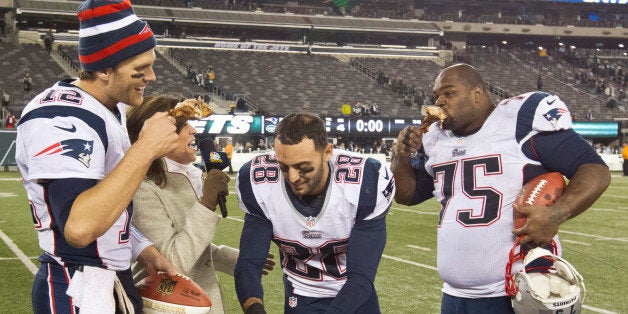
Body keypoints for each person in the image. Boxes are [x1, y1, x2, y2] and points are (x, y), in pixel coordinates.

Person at [392, 63, 610, 313]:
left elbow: (595, 169)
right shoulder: (434, 137)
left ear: (476, 94)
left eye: (449, 93)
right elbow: (406, 195)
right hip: (453, 295)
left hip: (517, 290)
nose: (439, 102)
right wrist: (402, 156)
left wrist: (556, 214)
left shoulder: (520, 121)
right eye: (436, 96)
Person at [15, 0, 181, 313]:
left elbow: (108, 203)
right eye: (140, 69)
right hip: (77, 288)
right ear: (104, 69)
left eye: (151, 64)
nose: (152, 76)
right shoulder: (61, 119)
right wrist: (145, 148)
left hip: (107, 279)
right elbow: (79, 227)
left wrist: (142, 249)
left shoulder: (107, 107)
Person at [126, 94, 275, 313]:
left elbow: (193, 247)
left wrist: (237, 260)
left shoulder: (180, 176)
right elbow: (172, 261)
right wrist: (206, 203)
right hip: (169, 304)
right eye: (184, 124)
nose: (193, 131)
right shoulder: (141, 188)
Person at [234, 113, 395, 313]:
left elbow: (361, 277)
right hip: (300, 294)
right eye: (284, 167)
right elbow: (249, 263)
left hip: (355, 295)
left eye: (304, 168)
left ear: (327, 152)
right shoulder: (257, 182)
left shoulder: (365, 182)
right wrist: (254, 309)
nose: (293, 178)